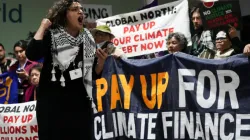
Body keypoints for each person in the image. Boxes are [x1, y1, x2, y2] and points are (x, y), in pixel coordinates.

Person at [25, 0, 108, 139]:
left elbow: (93, 74)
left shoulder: (87, 39)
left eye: (81, 9)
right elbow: (32, 53)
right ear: (64, 14)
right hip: (52, 106)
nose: (81, 11)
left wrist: (101, 61)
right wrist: (43, 26)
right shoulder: (51, 36)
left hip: (80, 105)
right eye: (75, 9)